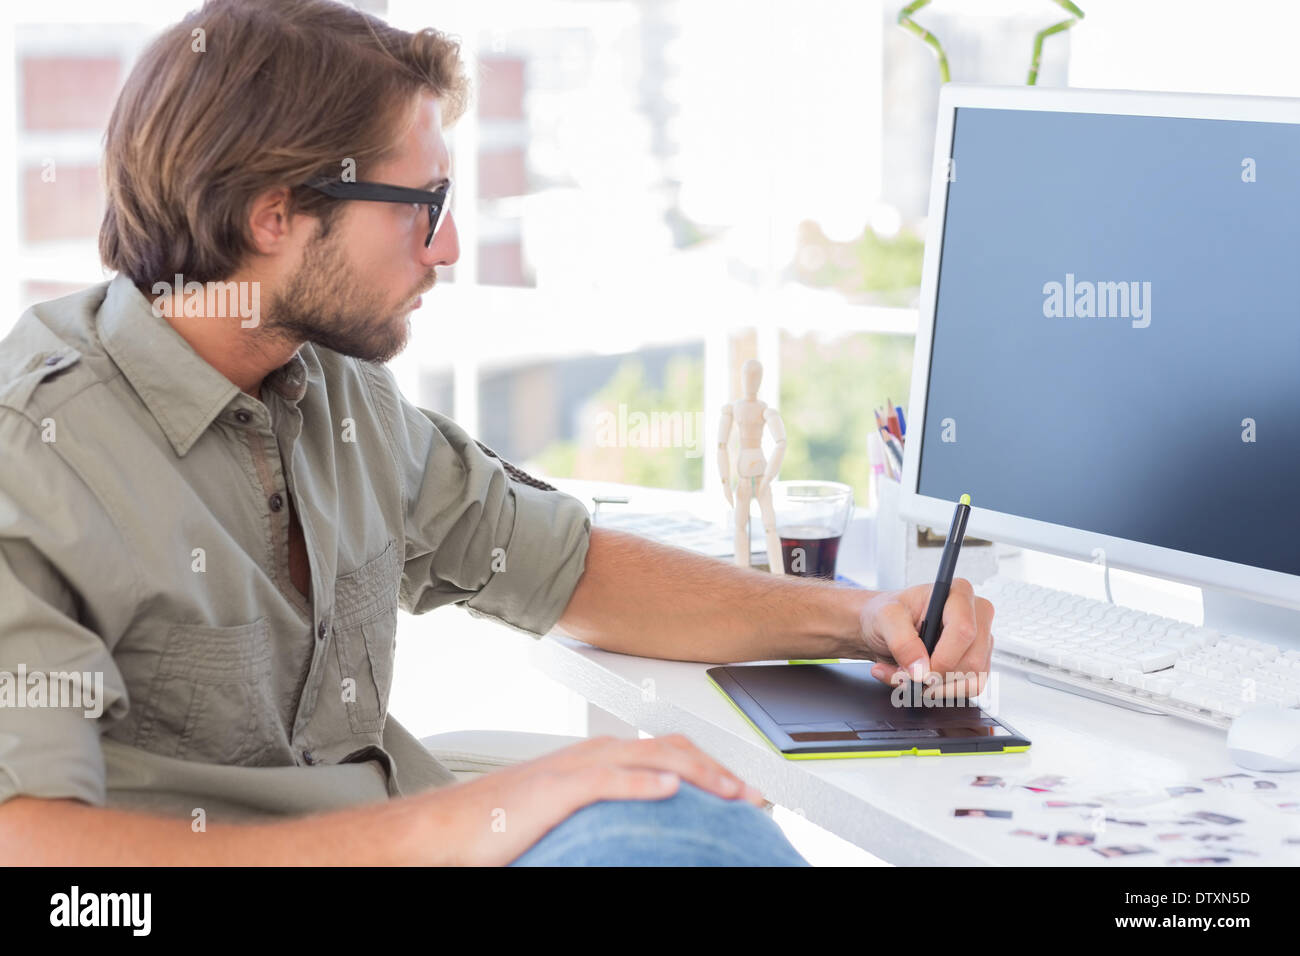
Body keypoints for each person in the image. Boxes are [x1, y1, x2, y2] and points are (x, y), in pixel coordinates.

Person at [0, 0, 993, 866]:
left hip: (384, 821)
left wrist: (858, 619)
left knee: (679, 799)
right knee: (672, 829)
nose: (451, 245)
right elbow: (30, 843)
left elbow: (566, 568)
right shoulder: (34, 453)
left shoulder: (332, 392)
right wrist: (450, 827)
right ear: (275, 217)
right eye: (423, 204)